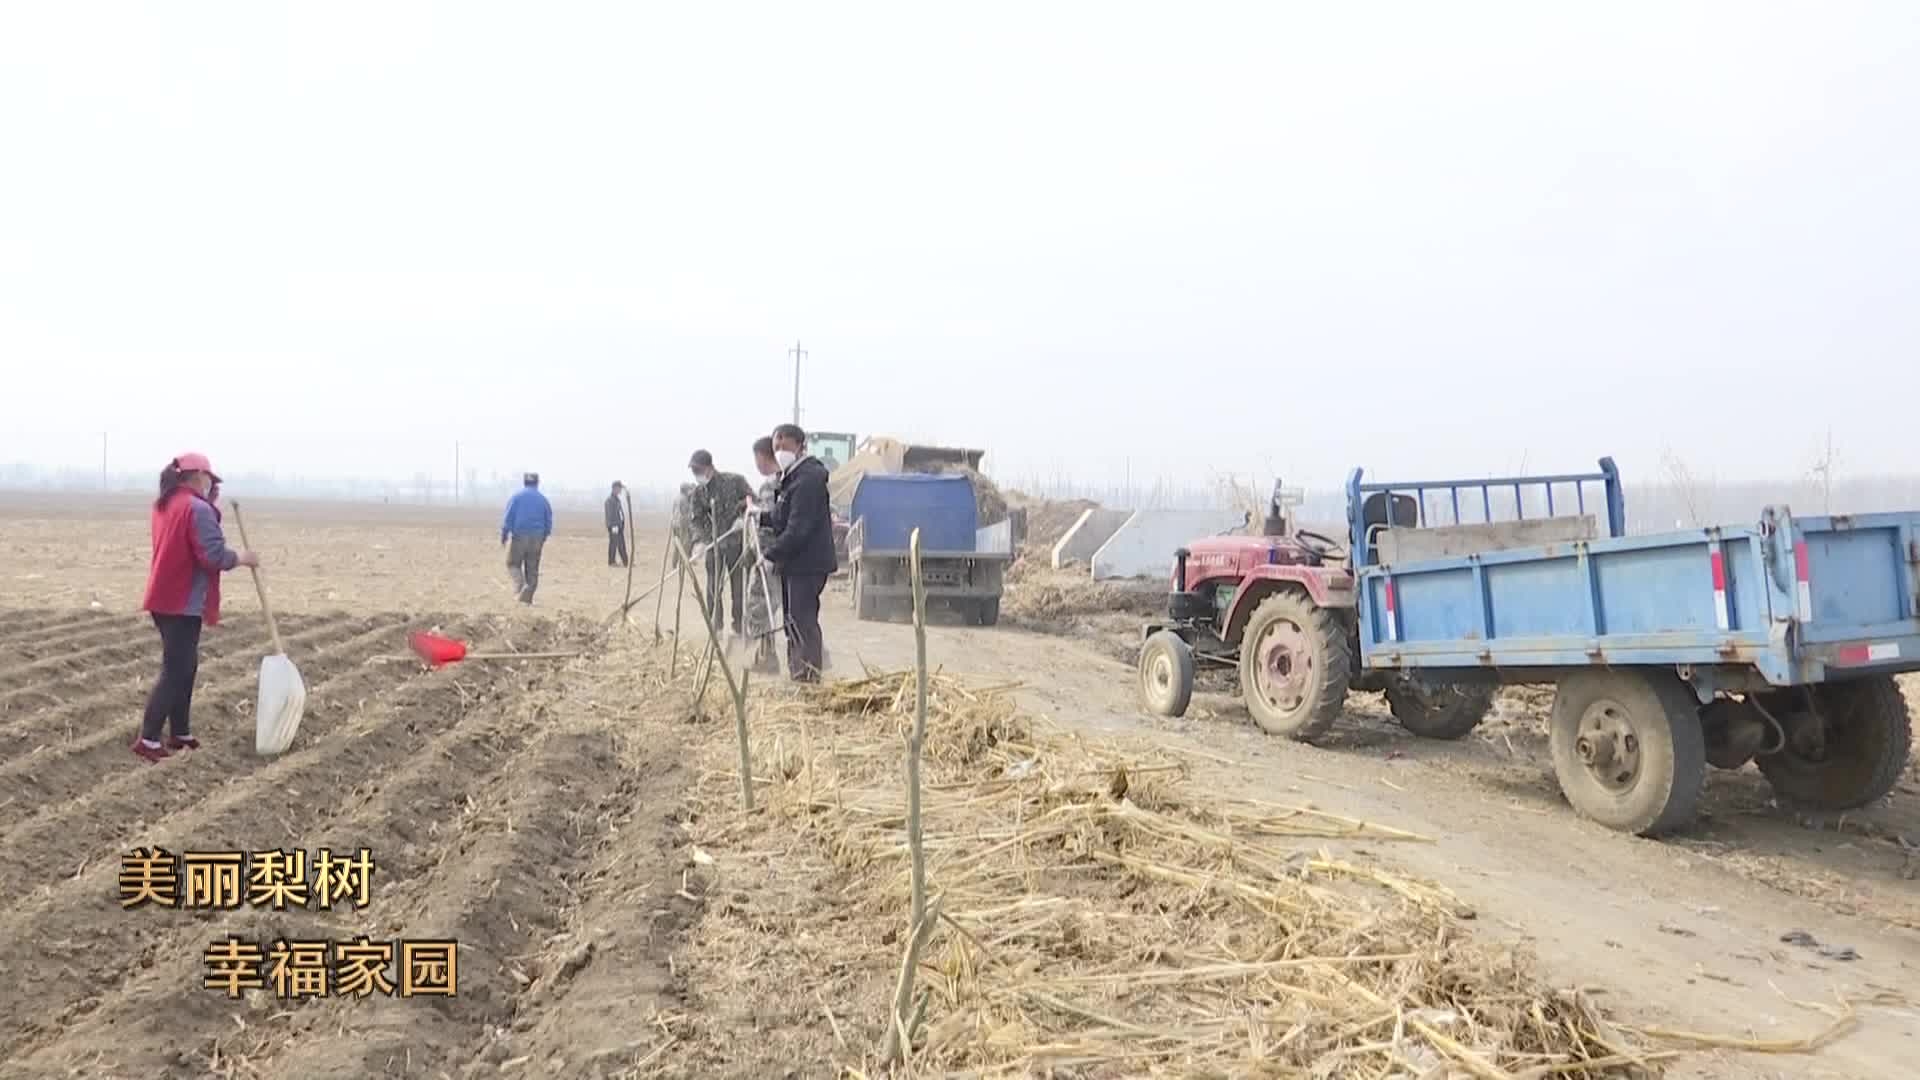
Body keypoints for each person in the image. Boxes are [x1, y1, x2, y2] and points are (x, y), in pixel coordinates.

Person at [135, 452, 259, 762]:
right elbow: (213, 555)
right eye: (209, 479)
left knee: (185, 667)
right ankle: (148, 739)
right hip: (181, 599)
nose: (210, 485)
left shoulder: (167, 503)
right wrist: (242, 558)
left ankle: (181, 732)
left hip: (165, 597)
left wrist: (210, 504)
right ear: (197, 476)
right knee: (176, 669)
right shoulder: (196, 508)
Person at [764, 423, 837, 682]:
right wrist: (759, 517)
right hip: (794, 564)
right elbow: (782, 515)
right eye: (776, 446)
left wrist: (770, 554)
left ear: (800, 446)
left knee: (802, 621)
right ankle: (798, 673)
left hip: (807, 564)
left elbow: (799, 528)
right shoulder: (792, 478)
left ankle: (808, 678)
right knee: (791, 621)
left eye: (784, 445)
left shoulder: (809, 479)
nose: (780, 450)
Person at [686, 449, 754, 638]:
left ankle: (739, 628)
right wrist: (700, 541)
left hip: (737, 544)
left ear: (710, 467)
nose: (697, 474)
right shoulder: (699, 492)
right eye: (693, 471)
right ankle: (716, 630)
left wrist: (744, 517)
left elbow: (752, 502)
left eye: (699, 470)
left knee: (738, 589)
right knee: (712, 590)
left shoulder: (735, 481)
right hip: (714, 546)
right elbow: (696, 520)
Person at [741, 437, 784, 674]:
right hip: (783, 556)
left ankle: (764, 659)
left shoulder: (771, 485)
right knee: (786, 609)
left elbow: (769, 525)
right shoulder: (786, 481)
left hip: (769, 558)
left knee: (758, 607)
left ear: (761, 457)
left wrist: (766, 556)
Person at [501, 472, 553, 605]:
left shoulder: (516, 498)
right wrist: (544, 536)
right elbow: (548, 520)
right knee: (532, 569)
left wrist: (504, 534)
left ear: (524, 482)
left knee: (512, 563)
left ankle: (520, 585)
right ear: (537, 483)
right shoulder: (543, 500)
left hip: (519, 536)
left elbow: (508, 518)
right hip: (537, 537)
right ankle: (526, 597)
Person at [604, 481, 629, 567]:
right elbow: (610, 515)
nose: (620, 491)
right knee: (614, 544)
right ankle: (611, 562)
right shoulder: (609, 501)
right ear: (615, 488)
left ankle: (625, 562)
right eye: (619, 488)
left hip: (619, 526)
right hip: (614, 526)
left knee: (621, 544)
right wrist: (613, 526)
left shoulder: (617, 500)